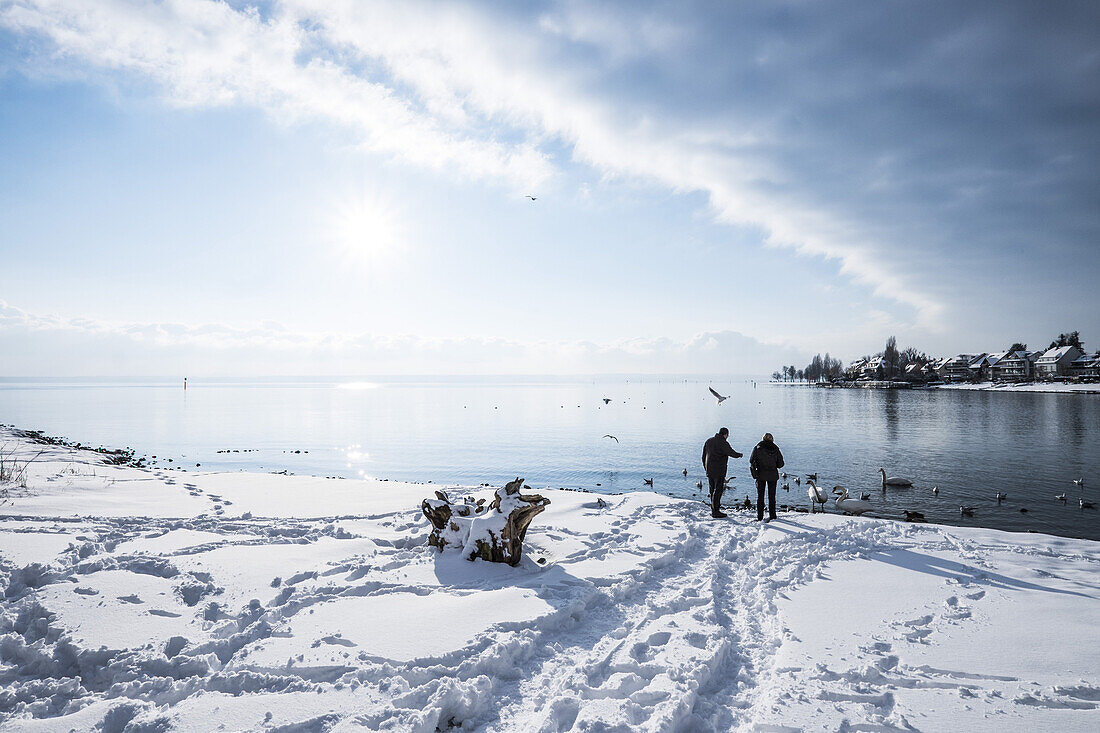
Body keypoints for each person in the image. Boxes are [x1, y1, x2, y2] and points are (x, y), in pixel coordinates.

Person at [701, 427, 743, 518]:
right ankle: (716, 511)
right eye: (727, 435)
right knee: (718, 490)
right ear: (726, 434)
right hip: (719, 470)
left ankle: (714, 508)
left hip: (709, 469)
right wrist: (739, 455)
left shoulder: (709, 441)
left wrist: (706, 467)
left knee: (712, 490)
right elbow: (731, 452)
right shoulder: (723, 443)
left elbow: (703, 456)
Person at [749, 432, 784, 521]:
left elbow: (751, 460)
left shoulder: (758, 447)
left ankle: (760, 516)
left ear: (763, 438)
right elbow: (781, 464)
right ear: (772, 439)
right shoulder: (776, 449)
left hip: (760, 474)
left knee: (760, 496)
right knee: (772, 496)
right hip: (773, 475)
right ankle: (772, 516)